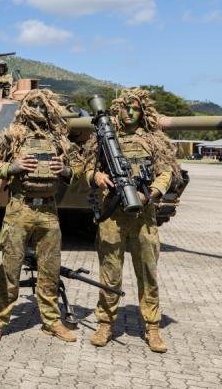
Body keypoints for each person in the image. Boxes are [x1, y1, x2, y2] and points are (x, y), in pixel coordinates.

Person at [85, 87, 180, 353]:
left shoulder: (153, 140)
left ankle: (152, 327)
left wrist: (149, 193)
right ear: (116, 109)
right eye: (125, 107)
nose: (129, 112)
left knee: (148, 273)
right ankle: (105, 323)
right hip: (112, 216)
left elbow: (166, 173)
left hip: (144, 216)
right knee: (109, 273)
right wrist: (96, 178)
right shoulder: (104, 139)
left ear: (142, 111)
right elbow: (86, 168)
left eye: (135, 108)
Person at [0, 89, 82, 344]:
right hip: (20, 208)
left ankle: (51, 322)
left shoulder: (59, 139)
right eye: (34, 105)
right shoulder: (11, 135)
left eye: (43, 106)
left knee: (50, 270)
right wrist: (10, 167)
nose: (39, 110)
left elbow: (81, 168)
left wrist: (67, 170)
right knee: (10, 268)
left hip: (48, 210)